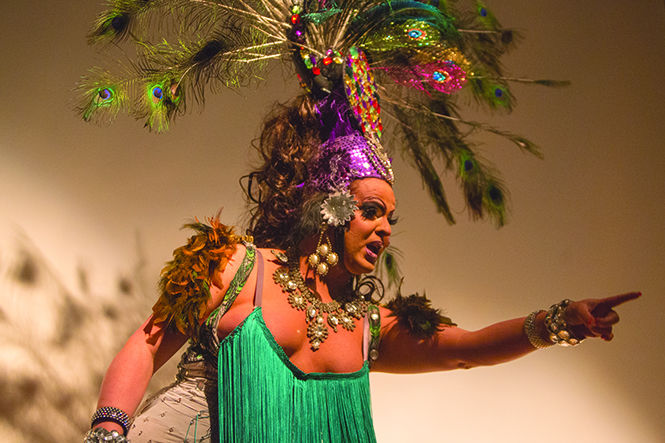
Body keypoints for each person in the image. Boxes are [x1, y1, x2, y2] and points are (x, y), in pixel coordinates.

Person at [83, 93, 640, 443]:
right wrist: (108, 431)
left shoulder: (367, 326)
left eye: (391, 217)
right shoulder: (233, 267)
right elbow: (147, 344)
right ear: (330, 205)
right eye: (372, 211)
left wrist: (560, 322)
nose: (386, 228)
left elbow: (467, 349)